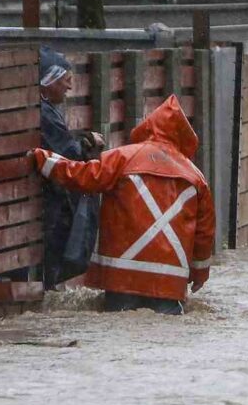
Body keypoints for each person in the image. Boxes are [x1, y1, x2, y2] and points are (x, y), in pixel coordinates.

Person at [28, 94, 215, 314]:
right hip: (169, 283)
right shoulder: (196, 177)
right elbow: (205, 234)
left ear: (149, 126)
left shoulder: (123, 158)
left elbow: (81, 176)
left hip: (121, 277)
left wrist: (43, 159)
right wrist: (200, 274)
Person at [38, 46, 105, 290]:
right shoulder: (45, 114)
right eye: (65, 81)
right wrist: (88, 145)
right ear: (49, 81)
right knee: (54, 257)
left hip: (49, 202)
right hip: (50, 204)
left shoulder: (47, 110)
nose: (69, 87)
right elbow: (68, 154)